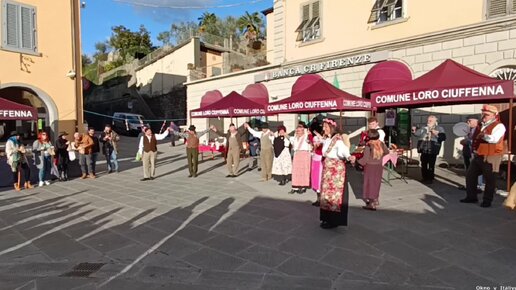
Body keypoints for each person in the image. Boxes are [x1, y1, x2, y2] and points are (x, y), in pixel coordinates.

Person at [461, 105, 506, 208]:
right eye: (483, 113)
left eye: (487, 114)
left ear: (494, 115)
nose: (484, 116)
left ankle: (487, 200)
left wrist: (484, 136)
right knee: (470, 175)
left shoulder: (499, 126)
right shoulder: (481, 125)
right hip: (479, 155)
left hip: (491, 155)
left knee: (490, 178)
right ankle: (471, 197)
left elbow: (494, 139)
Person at [319, 118, 355, 229]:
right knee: (326, 195)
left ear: (331, 127)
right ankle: (326, 218)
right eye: (323, 127)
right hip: (328, 170)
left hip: (335, 170)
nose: (324, 129)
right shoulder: (328, 139)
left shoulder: (338, 140)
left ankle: (333, 220)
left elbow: (343, 151)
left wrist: (349, 156)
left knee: (334, 196)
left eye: (326, 127)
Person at [358, 129, 389, 211]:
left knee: (369, 183)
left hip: (370, 166)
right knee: (376, 182)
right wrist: (380, 158)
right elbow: (387, 152)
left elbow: (365, 159)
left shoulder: (369, 145)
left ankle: (371, 204)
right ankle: (376, 199)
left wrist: (358, 162)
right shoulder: (381, 143)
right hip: (379, 166)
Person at [412, 115, 446, 184]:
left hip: (433, 148)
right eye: (428, 120)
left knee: (431, 164)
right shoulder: (424, 128)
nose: (428, 122)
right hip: (424, 147)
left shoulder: (439, 128)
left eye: (430, 120)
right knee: (423, 163)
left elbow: (443, 138)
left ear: (435, 121)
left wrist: (436, 134)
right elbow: (416, 134)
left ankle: (430, 178)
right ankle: (424, 177)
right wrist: (414, 130)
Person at [458, 115, 484, 190]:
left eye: (470, 121)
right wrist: (463, 141)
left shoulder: (479, 129)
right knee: (468, 169)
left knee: (476, 169)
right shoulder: (468, 129)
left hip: (474, 152)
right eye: (467, 121)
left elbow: (478, 140)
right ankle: (470, 185)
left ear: (476, 121)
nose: (468, 122)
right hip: (467, 151)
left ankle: (479, 185)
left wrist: (468, 141)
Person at [289, 122, 312, 194]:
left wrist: (305, 130)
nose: (298, 132)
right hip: (297, 154)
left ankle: (303, 186)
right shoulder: (295, 138)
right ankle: (295, 187)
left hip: (304, 154)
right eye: (297, 131)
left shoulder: (305, 137)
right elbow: (290, 139)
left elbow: (308, 134)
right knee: (295, 171)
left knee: (303, 171)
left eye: (299, 131)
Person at [310, 130, 324, 206]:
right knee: (315, 180)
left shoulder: (323, 141)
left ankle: (320, 200)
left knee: (319, 180)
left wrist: (320, 138)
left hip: (320, 161)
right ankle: (318, 199)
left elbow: (322, 142)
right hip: (315, 160)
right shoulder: (316, 140)